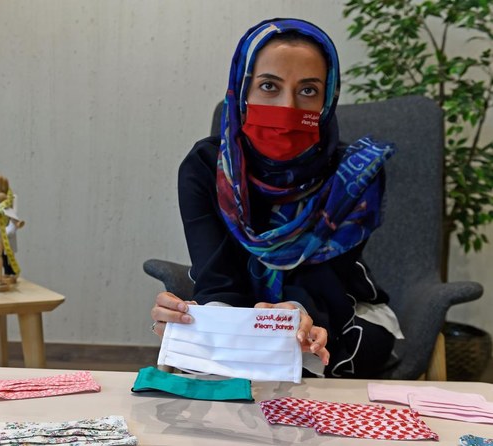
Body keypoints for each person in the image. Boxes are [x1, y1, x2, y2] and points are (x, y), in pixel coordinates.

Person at [150, 18, 402, 378]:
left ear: (328, 99)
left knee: (307, 356)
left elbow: (328, 279)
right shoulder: (206, 166)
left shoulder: (353, 176)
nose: (288, 108)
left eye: (308, 91)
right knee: (212, 368)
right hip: (238, 315)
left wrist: (296, 313)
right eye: (269, 86)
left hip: (332, 310)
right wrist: (201, 324)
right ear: (243, 91)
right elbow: (218, 278)